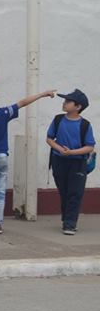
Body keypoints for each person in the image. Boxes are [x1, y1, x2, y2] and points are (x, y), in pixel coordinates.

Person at [0, 86, 55, 235]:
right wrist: (42, 94)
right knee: (0, 193)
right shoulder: (3, 113)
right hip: (2, 156)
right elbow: (22, 102)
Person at [46, 89, 96, 235]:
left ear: (78, 107)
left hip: (77, 163)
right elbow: (49, 138)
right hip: (58, 160)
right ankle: (67, 219)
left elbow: (89, 146)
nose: (64, 103)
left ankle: (70, 223)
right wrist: (60, 149)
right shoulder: (58, 120)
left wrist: (71, 152)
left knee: (75, 192)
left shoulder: (85, 125)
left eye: (68, 101)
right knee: (64, 191)